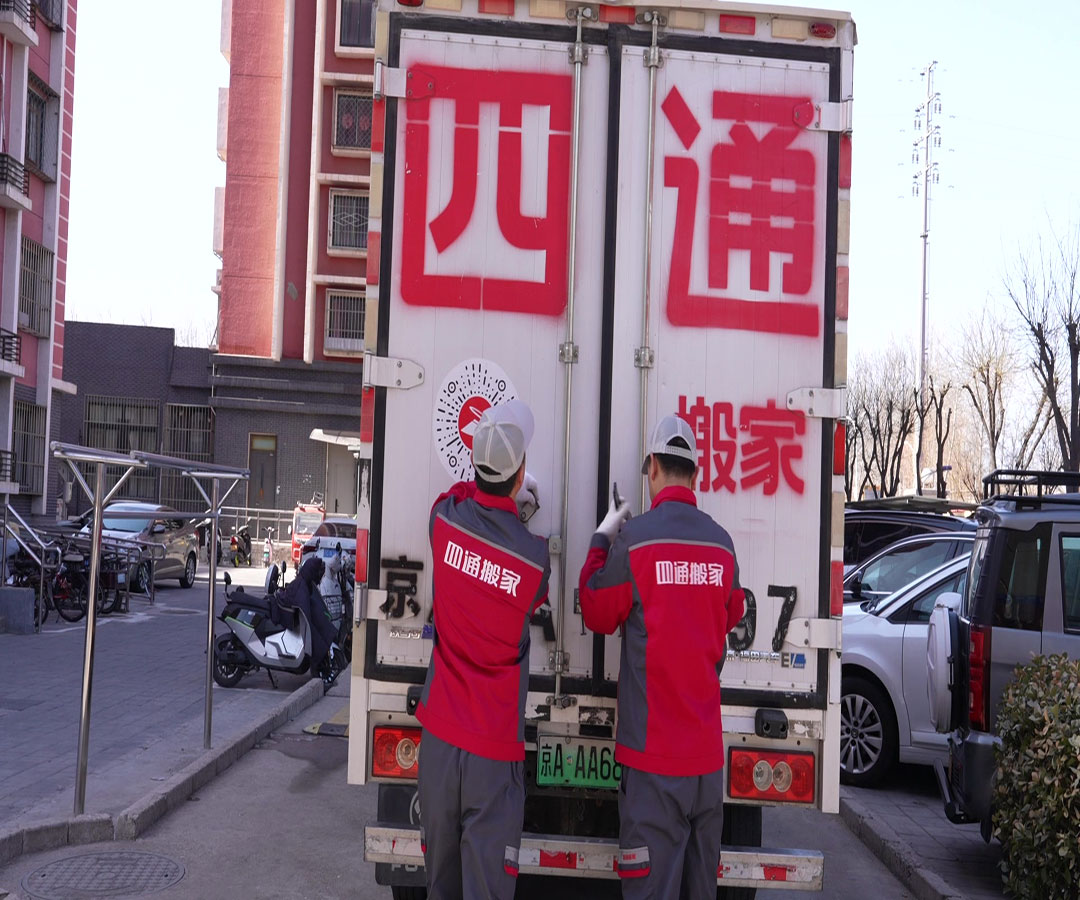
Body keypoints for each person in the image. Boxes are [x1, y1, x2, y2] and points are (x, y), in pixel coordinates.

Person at [578, 413, 746, 899]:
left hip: (653, 767)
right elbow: (734, 611)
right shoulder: (722, 545)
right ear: (696, 474)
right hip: (705, 767)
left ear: (652, 467)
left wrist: (602, 539)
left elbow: (595, 609)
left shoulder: (636, 541)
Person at [416, 399, 549, 900]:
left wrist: (482, 490)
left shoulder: (444, 522)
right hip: (493, 751)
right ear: (521, 476)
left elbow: (453, 495)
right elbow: (534, 598)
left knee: (441, 885)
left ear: (474, 467)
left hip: (440, 741)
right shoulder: (533, 561)